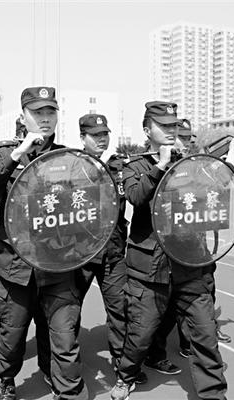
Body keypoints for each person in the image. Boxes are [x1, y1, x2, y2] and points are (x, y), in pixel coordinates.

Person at [110, 101, 234, 400]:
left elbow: (212, 192)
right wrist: (160, 165)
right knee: (140, 333)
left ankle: (213, 393)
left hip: (190, 263)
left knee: (205, 334)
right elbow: (136, 196)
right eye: (164, 126)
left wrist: (231, 161)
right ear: (147, 130)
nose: (171, 130)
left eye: (173, 125)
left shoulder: (191, 163)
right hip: (150, 269)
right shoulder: (134, 165)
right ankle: (126, 376)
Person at [0, 86, 88, 400]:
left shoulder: (68, 159)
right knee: (12, 334)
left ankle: (66, 389)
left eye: (50, 111)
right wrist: (18, 153)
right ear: (23, 116)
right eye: (37, 112)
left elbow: (86, 203)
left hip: (57, 263)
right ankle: (7, 379)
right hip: (16, 266)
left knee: (64, 336)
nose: (44, 118)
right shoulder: (7, 154)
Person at [75, 113, 142, 379]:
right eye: (95, 135)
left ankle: (122, 363)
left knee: (120, 309)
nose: (101, 139)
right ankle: (68, 365)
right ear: (83, 138)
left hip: (112, 253)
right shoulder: (72, 165)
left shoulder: (119, 167)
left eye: (104, 134)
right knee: (69, 312)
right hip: (80, 255)